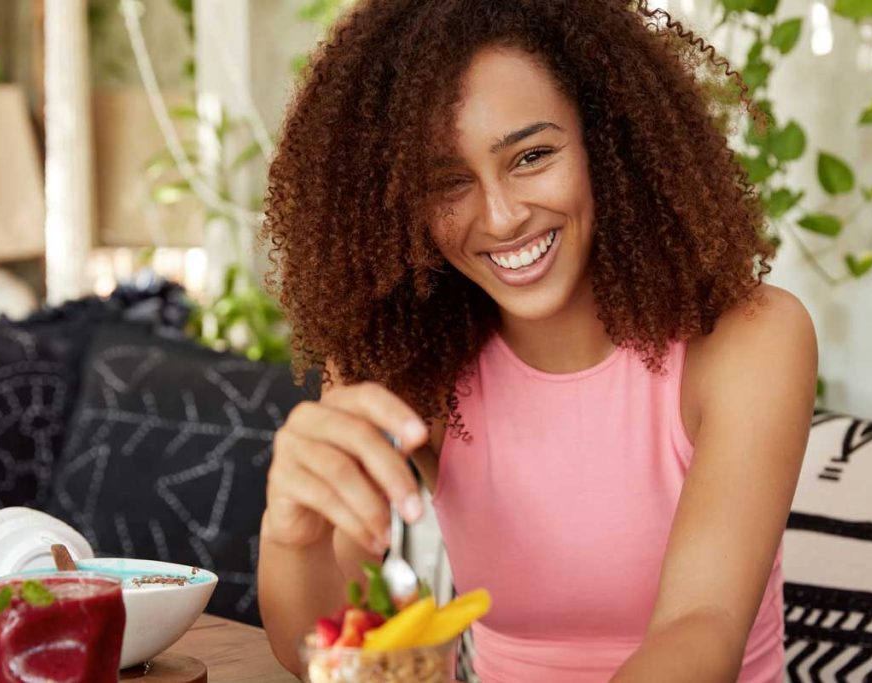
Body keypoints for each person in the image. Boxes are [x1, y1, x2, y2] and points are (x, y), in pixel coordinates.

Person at [257, 1, 817, 680]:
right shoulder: (405, 362)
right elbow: (327, 646)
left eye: (531, 156)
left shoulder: (748, 341)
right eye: (447, 182)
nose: (501, 215)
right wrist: (295, 536)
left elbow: (701, 628)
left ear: (608, 141)